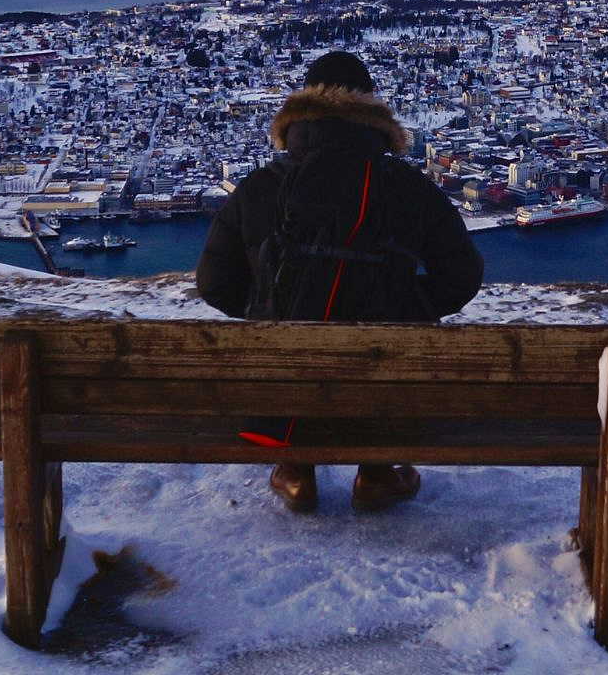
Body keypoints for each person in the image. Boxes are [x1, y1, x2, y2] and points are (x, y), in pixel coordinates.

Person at [196, 50, 484, 513]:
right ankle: (375, 473)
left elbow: (213, 282)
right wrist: (405, 308)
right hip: (383, 398)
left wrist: (269, 308)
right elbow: (462, 275)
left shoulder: (260, 187)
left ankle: (295, 471)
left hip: (282, 394)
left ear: (300, 112)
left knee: (295, 339)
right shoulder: (409, 189)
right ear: (371, 111)